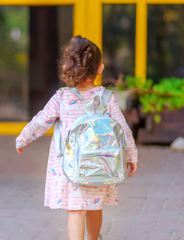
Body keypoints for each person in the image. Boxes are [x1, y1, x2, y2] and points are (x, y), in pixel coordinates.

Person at [15, 36, 138, 240]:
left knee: (76, 210)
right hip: (100, 165)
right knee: (94, 207)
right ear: (99, 69)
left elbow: (41, 121)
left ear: (68, 67)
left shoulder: (62, 97)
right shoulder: (106, 98)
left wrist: (23, 138)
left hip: (70, 168)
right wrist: (131, 156)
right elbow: (123, 130)